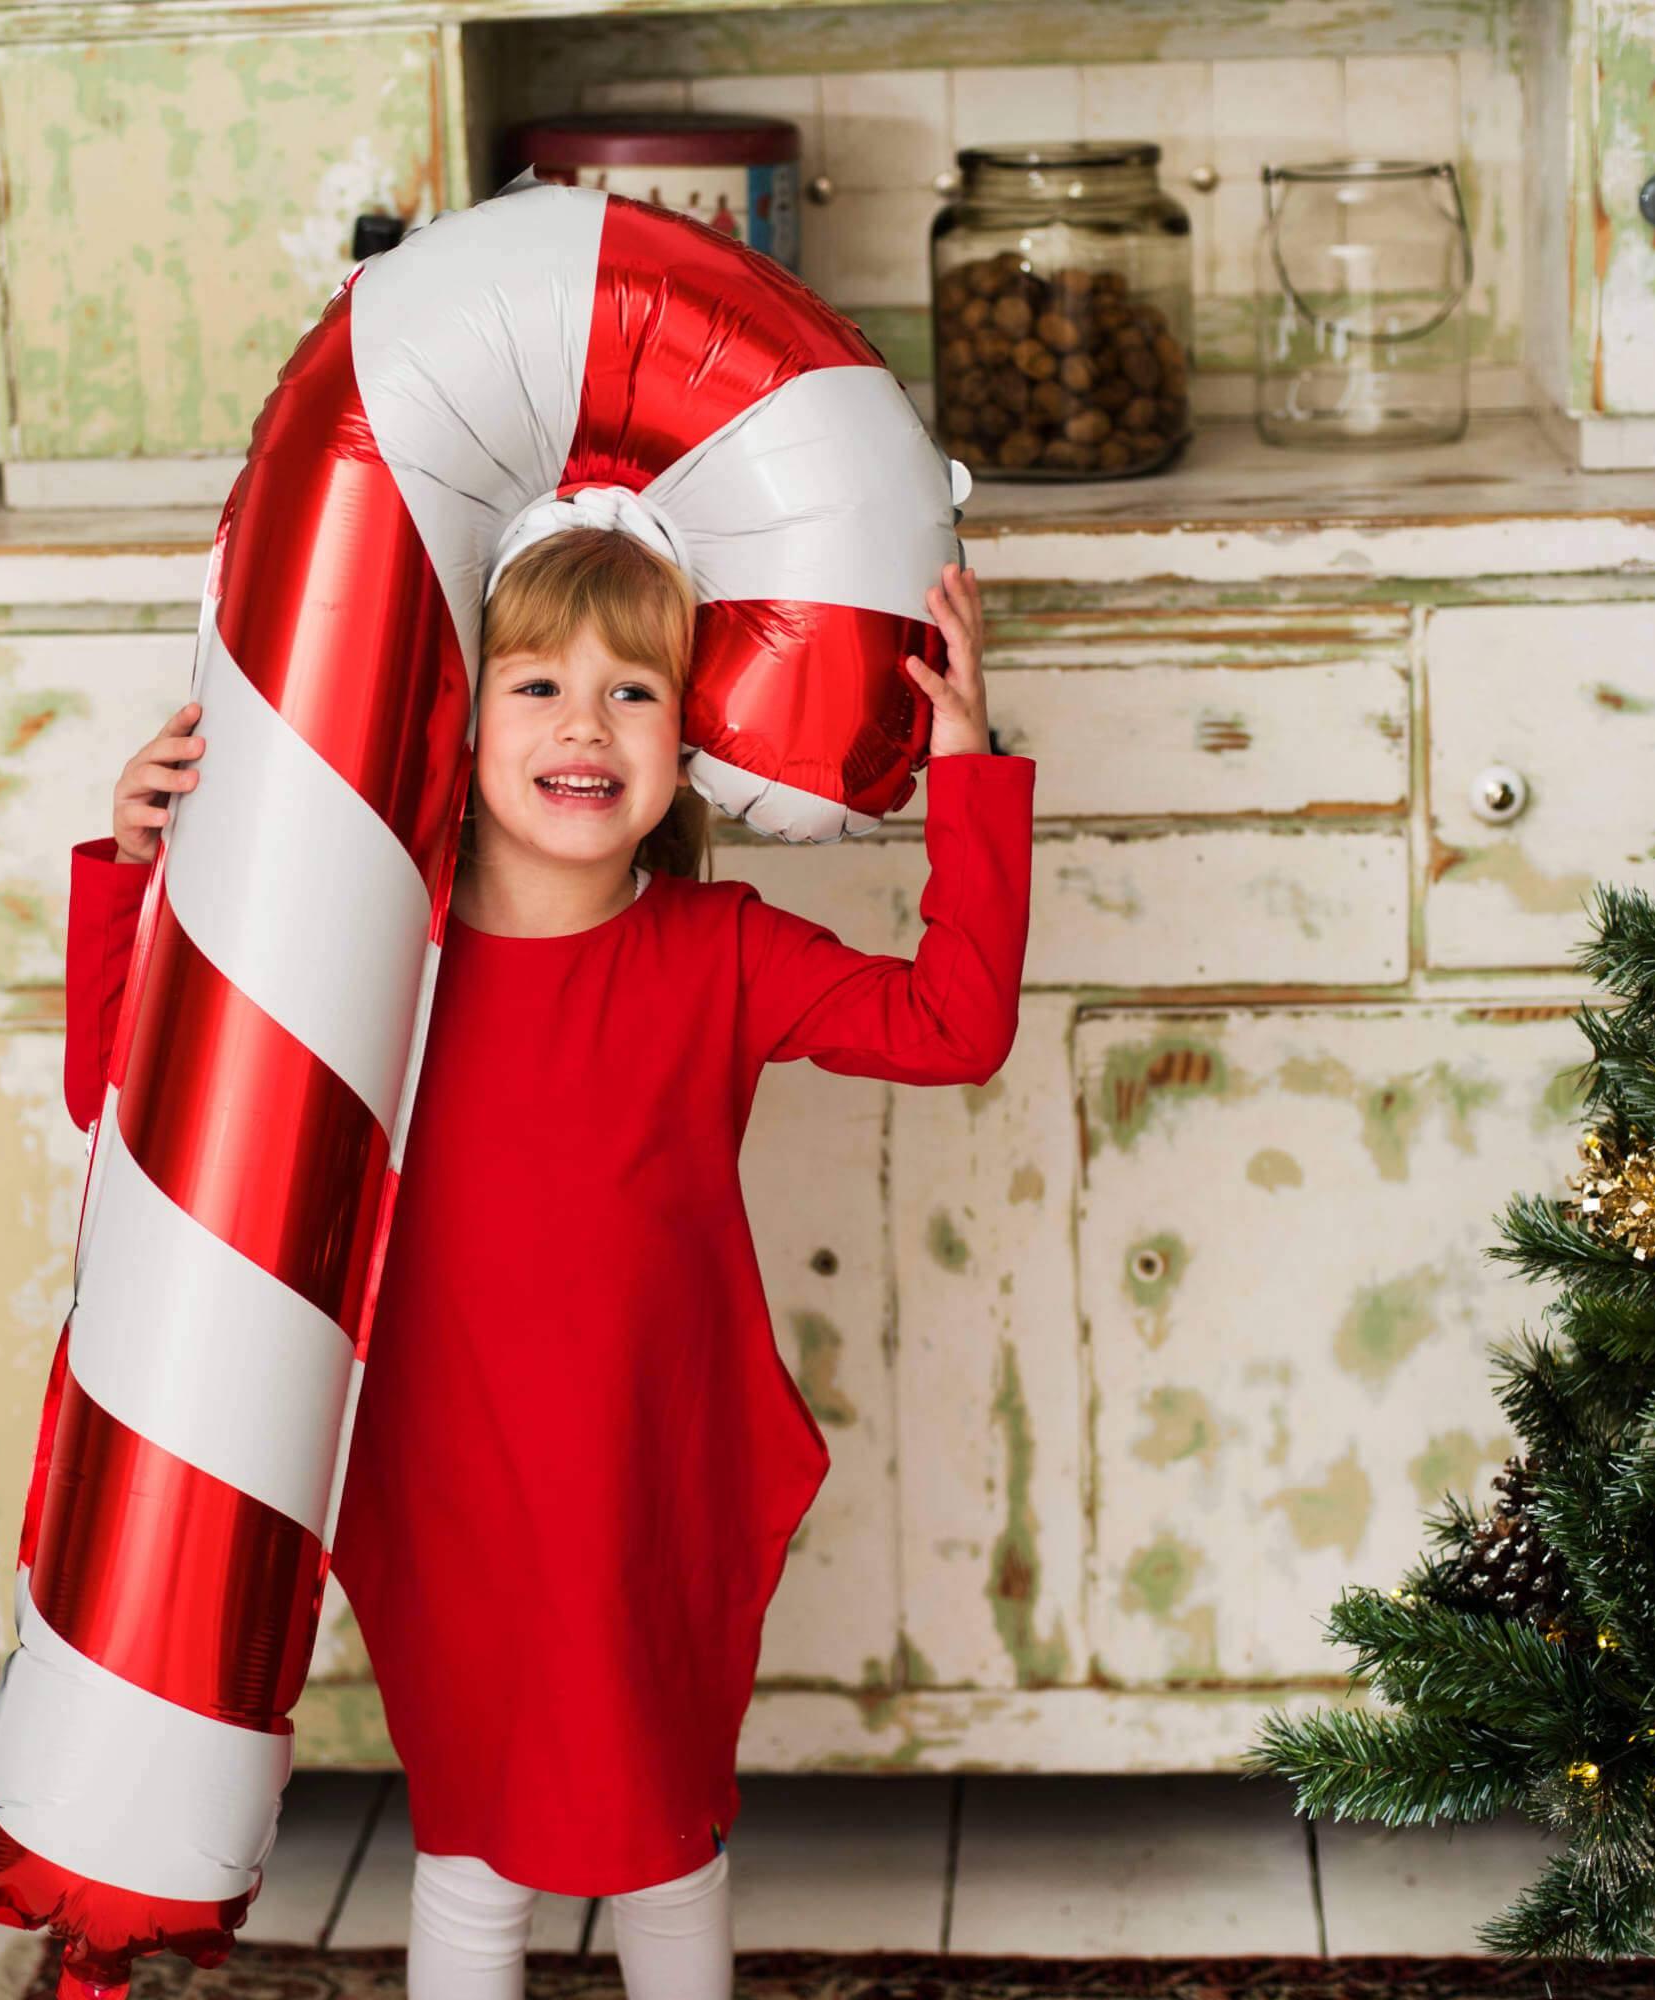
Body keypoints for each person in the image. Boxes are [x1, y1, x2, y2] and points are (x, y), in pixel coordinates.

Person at [61, 502, 1036, 2000]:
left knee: (663, 1827)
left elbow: (952, 1023)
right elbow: (133, 1106)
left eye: (632, 690)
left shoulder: (720, 949)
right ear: (459, 716)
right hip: (441, 1481)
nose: (586, 723)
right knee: (472, 1838)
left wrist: (965, 766)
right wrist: (133, 870)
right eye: (537, 684)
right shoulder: (365, 952)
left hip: (657, 1472)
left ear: (685, 740)